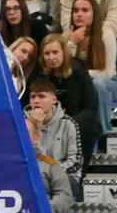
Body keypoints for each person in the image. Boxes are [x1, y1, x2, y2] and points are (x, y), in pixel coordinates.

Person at [35, 33, 100, 164]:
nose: (51, 57)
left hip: (77, 125)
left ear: (63, 52)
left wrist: (69, 126)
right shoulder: (41, 75)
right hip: (50, 127)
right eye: (47, 53)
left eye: (55, 52)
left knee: (89, 128)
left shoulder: (78, 70)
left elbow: (90, 106)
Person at [64, 0, 117, 138]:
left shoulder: (105, 33)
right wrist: (71, 43)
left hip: (109, 83)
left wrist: (82, 73)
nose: (79, 14)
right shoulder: (68, 35)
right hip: (80, 85)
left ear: (94, 13)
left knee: (98, 83)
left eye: (85, 10)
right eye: (75, 11)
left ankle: (104, 133)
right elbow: (64, 69)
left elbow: (107, 73)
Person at [24, 78, 83, 199]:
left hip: (65, 176)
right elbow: (25, 156)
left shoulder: (68, 123)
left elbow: (75, 161)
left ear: (53, 100)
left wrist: (51, 172)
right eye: (33, 96)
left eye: (41, 96)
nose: (36, 101)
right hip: (35, 174)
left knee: (49, 184)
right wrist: (36, 128)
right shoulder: (24, 124)